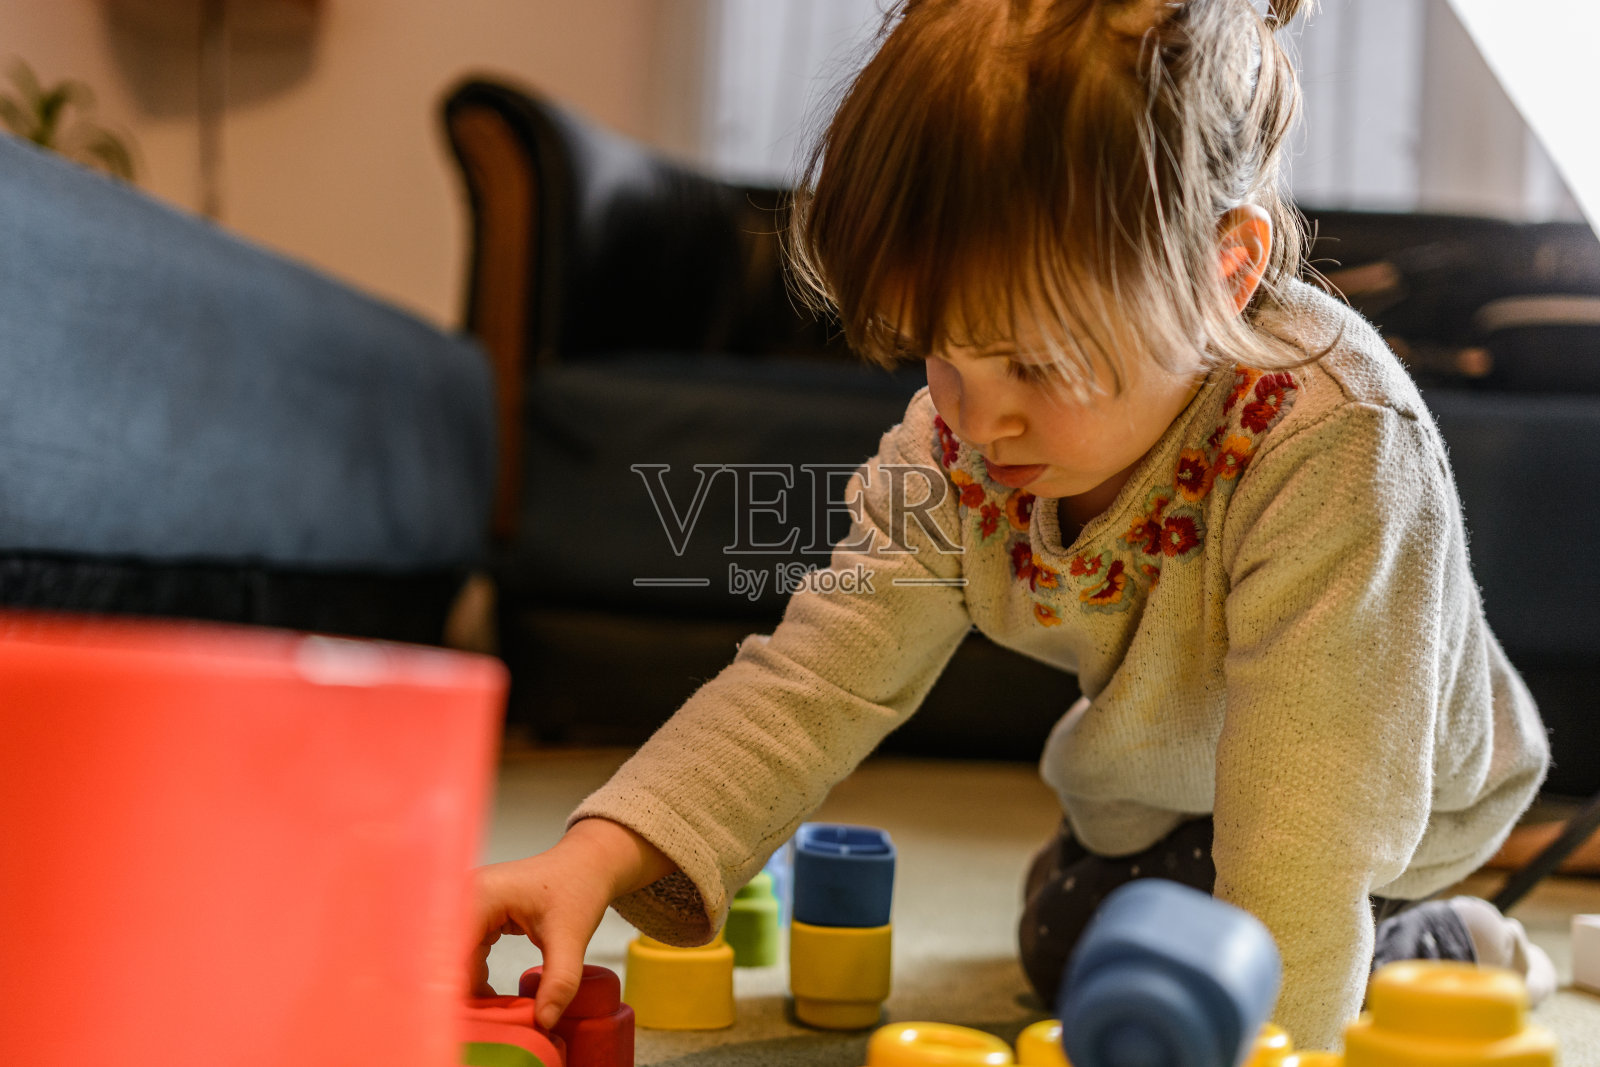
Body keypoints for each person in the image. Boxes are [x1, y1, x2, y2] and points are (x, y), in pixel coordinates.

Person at [471, 0, 1553, 1049]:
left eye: (1039, 362)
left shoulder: (1332, 443)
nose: (979, 418)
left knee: (1230, 956)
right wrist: (600, 852)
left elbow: (1308, 835)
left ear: (1223, 270)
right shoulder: (956, 448)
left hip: (1385, 816)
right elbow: (811, 679)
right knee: (1070, 939)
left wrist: (1269, 1045)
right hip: (1169, 794)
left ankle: (1449, 939)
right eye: (942, 351)